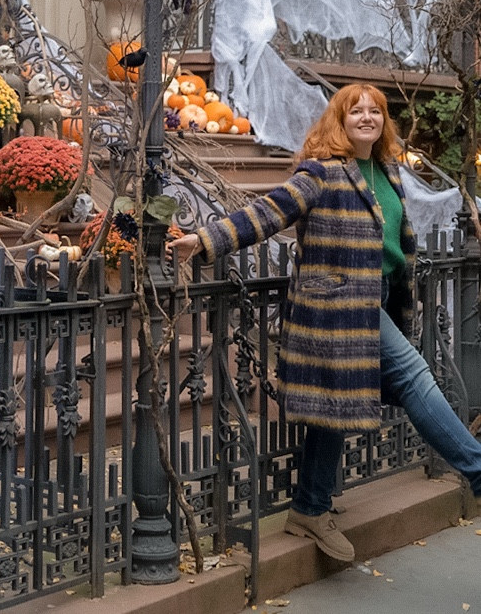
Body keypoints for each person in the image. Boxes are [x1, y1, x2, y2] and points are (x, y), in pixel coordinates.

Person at [170, 83, 481, 563]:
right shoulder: (322, 173)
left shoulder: (388, 173)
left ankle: (310, 508)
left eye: (374, 111)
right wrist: (206, 240)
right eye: (354, 110)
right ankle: (477, 470)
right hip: (337, 311)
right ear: (339, 120)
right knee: (416, 376)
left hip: (374, 303)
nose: (365, 116)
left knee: (336, 406)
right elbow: (268, 211)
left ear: (383, 122)